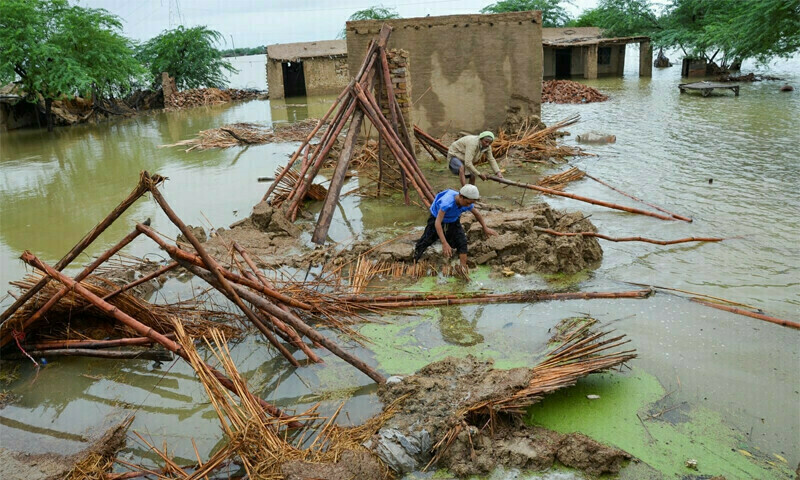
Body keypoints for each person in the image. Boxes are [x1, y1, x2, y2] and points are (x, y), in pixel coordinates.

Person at [413, 184, 497, 268]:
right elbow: (437, 223)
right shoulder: (447, 203)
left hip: (453, 219)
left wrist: (485, 228)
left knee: (462, 241)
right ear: (461, 196)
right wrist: (444, 243)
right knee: (425, 241)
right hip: (436, 218)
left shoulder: (467, 203)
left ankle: (463, 268)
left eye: (471, 203)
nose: (468, 206)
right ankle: (414, 261)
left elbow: (477, 214)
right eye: (467, 203)